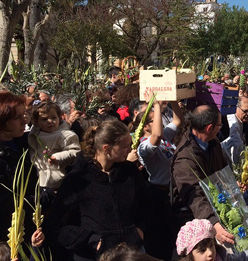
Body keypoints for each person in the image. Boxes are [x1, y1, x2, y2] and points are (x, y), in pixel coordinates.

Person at [45, 119, 152, 261]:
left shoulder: (130, 172)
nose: (130, 149)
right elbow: (59, 225)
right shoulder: (78, 180)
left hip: (131, 253)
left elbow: (146, 204)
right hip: (94, 256)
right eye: (125, 146)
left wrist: (139, 229)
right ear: (106, 148)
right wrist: (92, 241)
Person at [171, 105, 234, 245]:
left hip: (217, 206)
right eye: (219, 125)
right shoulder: (185, 159)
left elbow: (222, 170)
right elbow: (194, 196)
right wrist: (214, 223)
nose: (221, 128)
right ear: (209, 128)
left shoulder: (213, 142)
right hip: (193, 217)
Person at [136, 89, 183, 260]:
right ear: (146, 126)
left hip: (174, 193)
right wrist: (155, 105)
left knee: (173, 240)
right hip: (159, 196)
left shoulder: (165, 137)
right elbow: (156, 135)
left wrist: (172, 98)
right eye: (154, 119)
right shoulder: (144, 147)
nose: (160, 121)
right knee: (161, 242)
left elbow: (178, 119)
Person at [0, 92, 37, 243]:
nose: (24, 121)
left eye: (24, 115)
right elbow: (9, 202)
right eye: (17, 118)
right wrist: (43, 198)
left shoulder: (25, 142)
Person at [28, 102, 80, 205]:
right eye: (44, 119)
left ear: (59, 118)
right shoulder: (35, 134)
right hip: (39, 179)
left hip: (57, 178)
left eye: (53, 118)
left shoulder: (64, 135)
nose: (50, 121)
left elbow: (75, 150)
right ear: (36, 122)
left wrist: (57, 157)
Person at [176, 219, 248, 261]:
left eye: (211, 245)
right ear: (190, 255)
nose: (210, 253)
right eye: (202, 250)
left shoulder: (222, 259)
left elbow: (246, 257)